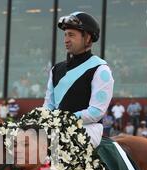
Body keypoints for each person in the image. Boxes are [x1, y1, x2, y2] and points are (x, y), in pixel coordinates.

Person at [43, 11, 114, 147]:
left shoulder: (100, 69)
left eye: (71, 35)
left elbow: (96, 112)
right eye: (65, 35)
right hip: (57, 129)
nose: (66, 40)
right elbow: (48, 105)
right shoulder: (56, 69)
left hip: (87, 131)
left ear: (87, 38)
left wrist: (63, 120)